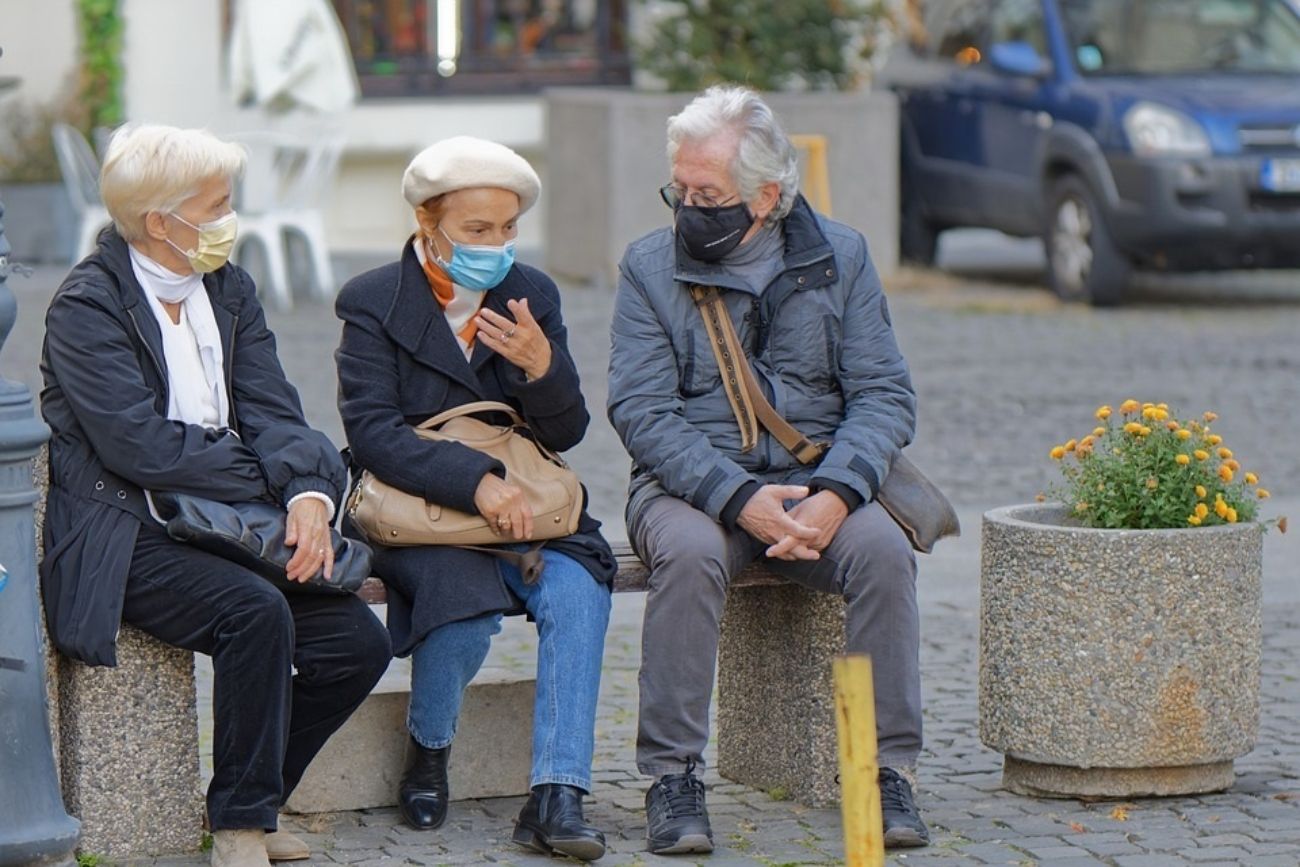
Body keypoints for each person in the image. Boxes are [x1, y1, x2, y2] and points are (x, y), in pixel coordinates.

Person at [39, 124, 391, 867]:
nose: (230, 219)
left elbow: (274, 409)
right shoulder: (86, 306)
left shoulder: (227, 288)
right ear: (161, 222)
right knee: (253, 611)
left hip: (226, 523)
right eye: (217, 205)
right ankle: (239, 822)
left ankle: (254, 796)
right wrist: (272, 474)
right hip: (125, 531)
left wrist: (305, 495)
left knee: (356, 640)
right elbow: (143, 448)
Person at [607, 85, 929, 854]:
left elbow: (885, 394)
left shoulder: (841, 257)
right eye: (678, 190)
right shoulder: (649, 267)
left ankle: (882, 773)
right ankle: (674, 776)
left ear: (767, 196)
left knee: (884, 552)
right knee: (687, 555)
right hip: (688, 488)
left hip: (820, 480)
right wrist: (738, 496)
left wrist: (839, 493)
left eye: (706, 194)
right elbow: (642, 412)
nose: (687, 207)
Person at [335, 136, 615, 861]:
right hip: (428, 519)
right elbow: (371, 432)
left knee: (579, 588)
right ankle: (429, 751)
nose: (497, 246)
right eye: (477, 230)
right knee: (460, 610)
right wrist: (476, 483)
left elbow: (567, 431)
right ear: (428, 223)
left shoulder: (531, 295)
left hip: (529, 516)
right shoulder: (372, 302)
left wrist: (543, 368)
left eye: (508, 228)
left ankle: (559, 794)